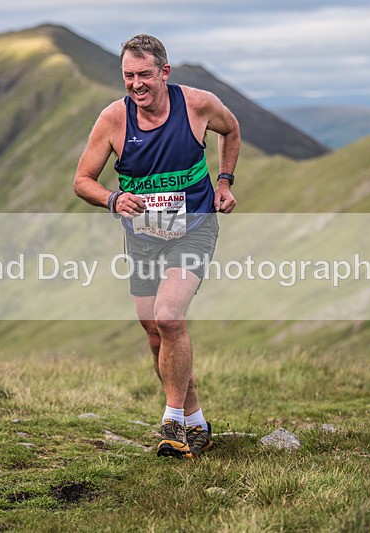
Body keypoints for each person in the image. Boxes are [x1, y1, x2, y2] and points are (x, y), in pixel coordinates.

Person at [73, 34, 240, 458]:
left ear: (164, 72)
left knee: (169, 317)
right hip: (144, 238)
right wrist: (112, 198)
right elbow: (82, 181)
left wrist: (224, 182)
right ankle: (196, 420)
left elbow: (232, 129)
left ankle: (172, 423)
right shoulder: (114, 119)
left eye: (144, 74)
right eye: (128, 76)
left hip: (195, 228)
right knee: (154, 333)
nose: (136, 84)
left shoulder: (197, 105)